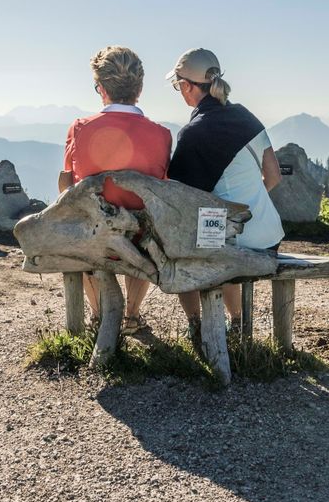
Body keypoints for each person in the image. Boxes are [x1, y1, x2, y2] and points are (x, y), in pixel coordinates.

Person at [165, 48, 283, 337]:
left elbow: (181, 200)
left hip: (234, 245)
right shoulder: (245, 116)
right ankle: (237, 322)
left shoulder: (193, 134)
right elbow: (274, 176)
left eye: (177, 84)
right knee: (221, 236)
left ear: (188, 86)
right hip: (269, 236)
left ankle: (196, 326)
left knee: (183, 249)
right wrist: (248, 207)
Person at [59, 46, 172, 333]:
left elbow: (67, 186)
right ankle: (131, 316)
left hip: (94, 238)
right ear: (140, 88)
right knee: (146, 225)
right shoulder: (161, 135)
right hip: (139, 240)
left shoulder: (80, 128)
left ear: (101, 88)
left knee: (82, 222)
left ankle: (100, 316)